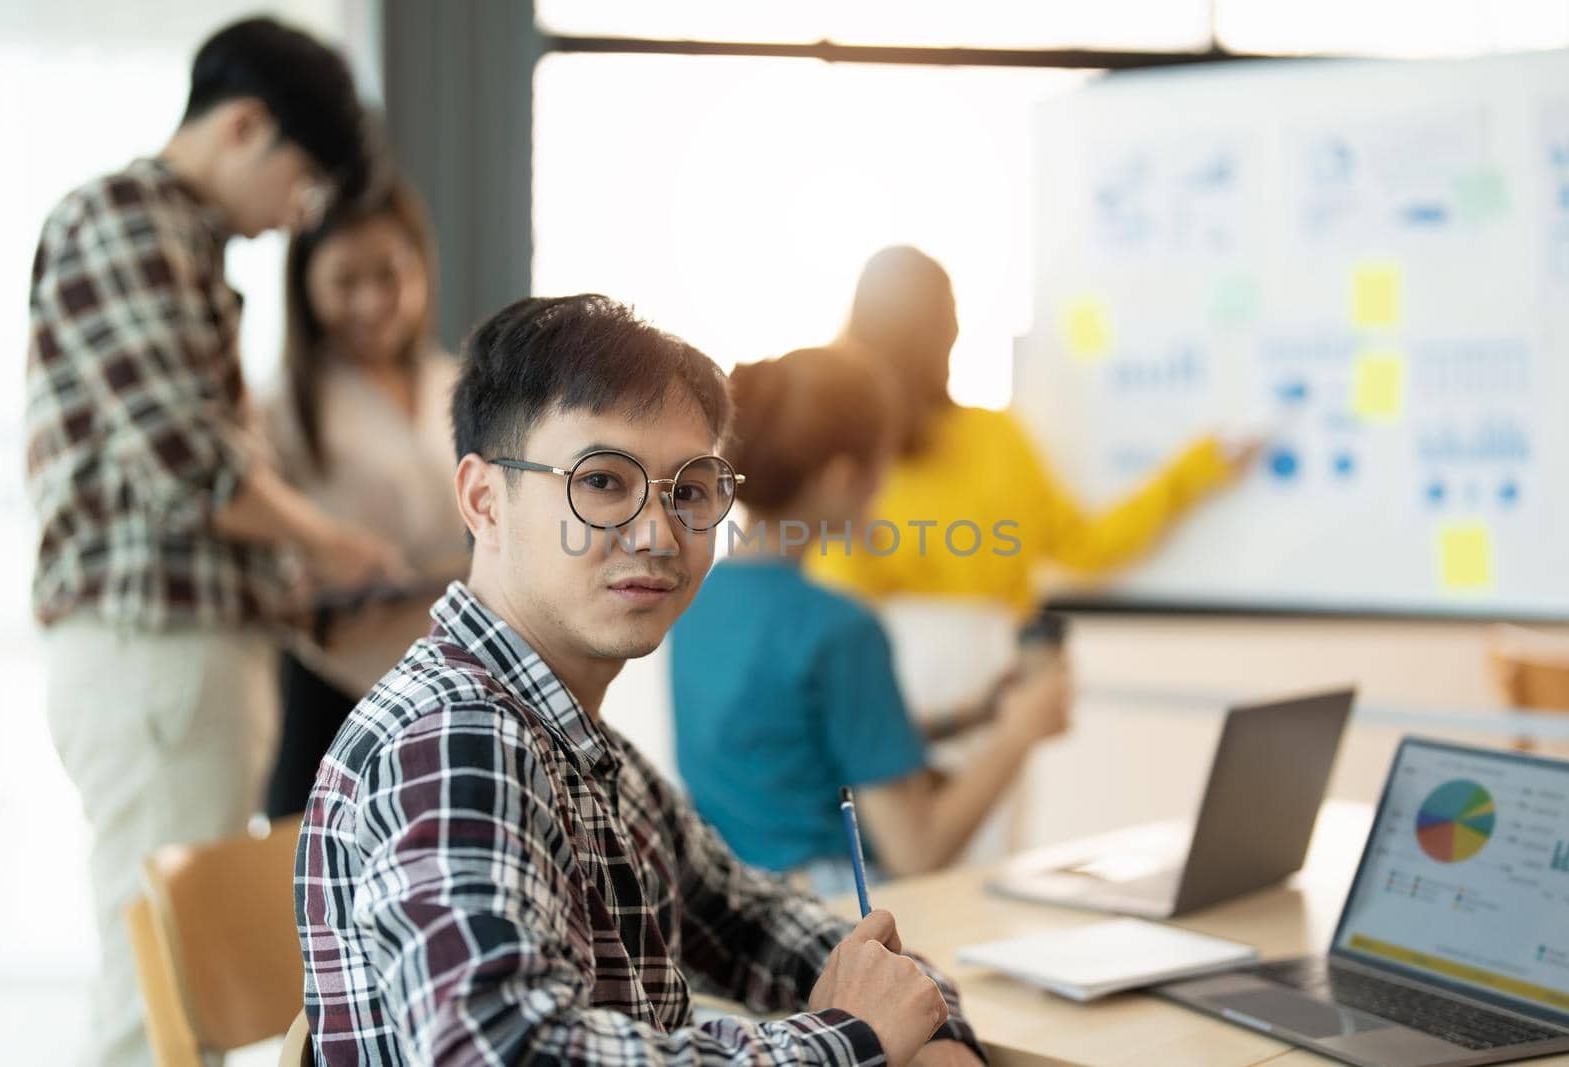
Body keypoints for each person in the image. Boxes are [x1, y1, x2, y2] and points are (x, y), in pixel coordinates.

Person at [295, 296, 986, 1067]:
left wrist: (923, 1023)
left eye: (690, 491)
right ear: (484, 501)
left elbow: (778, 928)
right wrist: (851, 1038)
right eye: (603, 482)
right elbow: (508, 1052)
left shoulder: (588, 753)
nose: (658, 532)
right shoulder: (455, 737)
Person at [23, 18, 400, 1067]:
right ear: (244, 127)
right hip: (157, 644)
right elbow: (187, 457)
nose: (295, 217)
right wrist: (330, 540)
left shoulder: (168, 235)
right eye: (302, 183)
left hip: (176, 649)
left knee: (164, 965)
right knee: (162, 979)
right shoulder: (130, 219)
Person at [670, 347, 1070, 893]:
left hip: (724, 908)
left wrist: (971, 717)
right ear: (841, 480)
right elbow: (917, 850)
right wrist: (1021, 732)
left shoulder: (697, 600)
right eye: (884, 468)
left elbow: (797, 743)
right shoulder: (839, 629)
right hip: (828, 920)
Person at [808, 245, 1255, 613]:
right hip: (968, 703)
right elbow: (1088, 545)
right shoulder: (870, 460)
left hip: (986, 704)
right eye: (952, 314)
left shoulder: (990, 436)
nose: (958, 329)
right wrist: (1194, 469)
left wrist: (1198, 468)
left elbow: (1084, 544)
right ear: (940, 330)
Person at [259, 174, 468, 818]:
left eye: (392, 275)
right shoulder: (283, 405)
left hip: (446, 679)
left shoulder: (455, 383)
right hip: (330, 686)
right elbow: (270, 559)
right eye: (345, 282)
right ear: (306, 286)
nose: (374, 302)